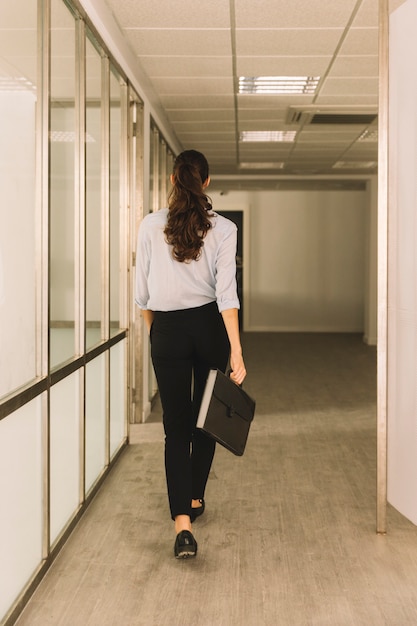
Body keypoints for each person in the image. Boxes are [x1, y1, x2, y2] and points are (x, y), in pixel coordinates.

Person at [135, 149, 246, 559]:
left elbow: (142, 295)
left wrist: (160, 336)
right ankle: (196, 495)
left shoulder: (149, 226)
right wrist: (236, 350)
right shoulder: (224, 228)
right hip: (208, 328)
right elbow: (226, 295)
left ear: (171, 180)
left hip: (166, 328)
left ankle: (182, 524)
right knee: (207, 418)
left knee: (175, 428)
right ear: (206, 183)